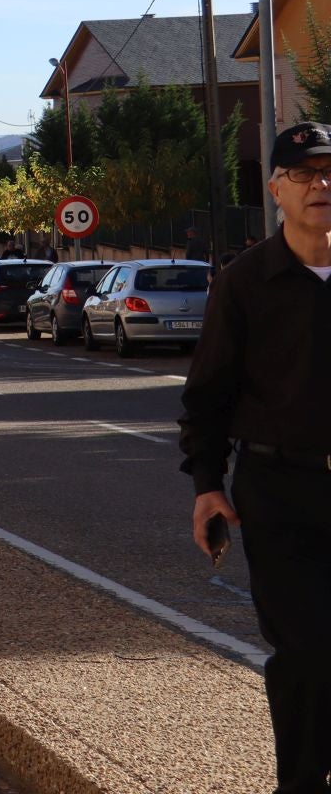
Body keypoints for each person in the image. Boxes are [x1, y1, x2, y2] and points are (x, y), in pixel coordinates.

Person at [179, 122, 331, 793]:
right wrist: (208, 485)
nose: (320, 185)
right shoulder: (245, 282)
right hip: (280, 491)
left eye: (329, 172)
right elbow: (208, 392)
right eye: (302, 174)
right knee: (304, 652)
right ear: (275, 189)